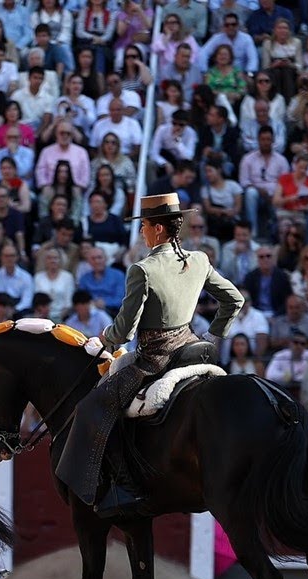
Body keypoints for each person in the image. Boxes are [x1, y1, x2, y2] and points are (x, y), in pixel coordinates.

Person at [56, 193, 243, 518]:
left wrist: (104, 337)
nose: (141, 231)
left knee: (93, 406)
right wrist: (213, 335)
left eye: (143, 225)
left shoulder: (143, 269)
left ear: (157, 229)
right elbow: (234, 300)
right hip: (195, 351)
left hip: (156, 359)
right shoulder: (198, 260)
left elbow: (125, 331)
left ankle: (124, 486)